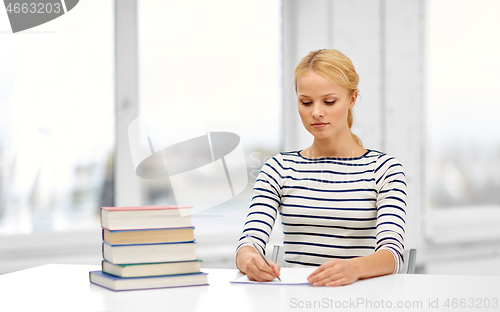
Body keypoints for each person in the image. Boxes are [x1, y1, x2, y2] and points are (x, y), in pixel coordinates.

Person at [235, 49, 407, 287]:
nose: (316, 112)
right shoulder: (279, 169)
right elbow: (248, 243)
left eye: (329, 101)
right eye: (306, 102)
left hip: (361, 300)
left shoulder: (384, 169)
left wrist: (353, 268)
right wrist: (250, 260)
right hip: (295, 299)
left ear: (352, 99)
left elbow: (392, 254)